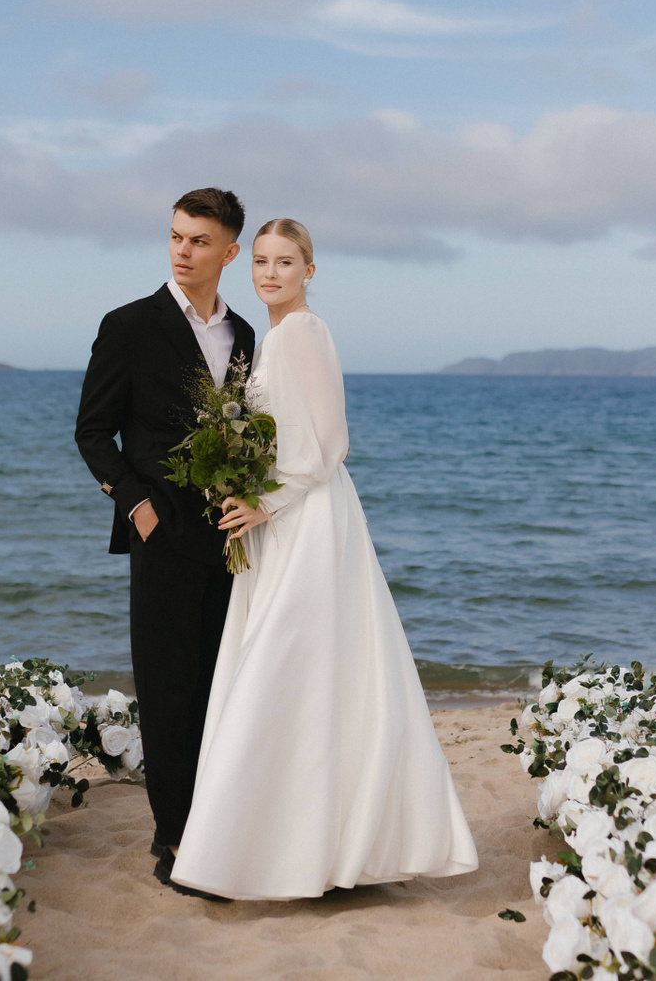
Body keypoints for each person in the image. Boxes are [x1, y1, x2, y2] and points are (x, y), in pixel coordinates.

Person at [168, 218, 479, 901]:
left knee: (285, 666)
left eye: (285, 261)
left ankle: (259, 854)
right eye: (260, 261)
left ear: (310, 269)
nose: (270, 272)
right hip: (285, 519)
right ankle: (282, 849)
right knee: (300, 672)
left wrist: (264, 502)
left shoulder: (302, 333)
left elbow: (331, 442)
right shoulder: (278, 337)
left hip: (306, 521)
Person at [74, 187, 257, 884]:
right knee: (168, 686)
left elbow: (242, 428)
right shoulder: (128, 324)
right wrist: (136, 505)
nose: (183, 251)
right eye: (177, 237)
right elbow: (93, 431)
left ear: (229, 252)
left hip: (227, 535)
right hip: (160, 532)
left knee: (219, 683)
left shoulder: (242, 334)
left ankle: (214, 820)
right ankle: (175, 838)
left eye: (199, 241)